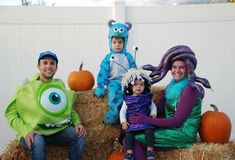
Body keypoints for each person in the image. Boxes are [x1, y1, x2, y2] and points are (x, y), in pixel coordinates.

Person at [126, 45, 212, 160]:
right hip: (169, 128)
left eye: (182, 67)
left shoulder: (190, 89)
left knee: (135, 139)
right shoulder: (171, 87)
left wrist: (146, 120)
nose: (177, 71)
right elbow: (158, 108)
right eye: (174, 67)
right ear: (170, 69)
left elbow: (177, 121)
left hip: (182, 133)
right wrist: (135, 107)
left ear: (188, 69)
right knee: (127, 135)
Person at [5, 51, 86, 160]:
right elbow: (11, 114)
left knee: (79, 135)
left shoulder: (59, 86)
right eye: (45, 63)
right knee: (37, 141)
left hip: (56, 131)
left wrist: (77, 123)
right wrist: (26, 131)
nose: (48, 66)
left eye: (52, 63)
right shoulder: (26, 87)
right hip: (33, 132)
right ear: (38, 66)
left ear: (56, 67)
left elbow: (68, 108)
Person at [95, 19, 137, 124]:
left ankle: (129, 115)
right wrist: (100, 87)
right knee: (113, 94)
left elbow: (134, 70)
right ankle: (113, 114)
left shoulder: (129, 57)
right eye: (114, 42)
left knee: (131, 96)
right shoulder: (109, 58)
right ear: (110, 42)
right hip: (113, 82)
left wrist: (135, 81)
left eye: (120, 42)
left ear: (125, 42)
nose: (117, 45)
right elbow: (103, 72)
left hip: (127, 82)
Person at [120, 69, 157, 160]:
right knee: (128, 134)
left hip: (145, 122)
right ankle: (129, 153)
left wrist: (153, 114)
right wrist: (123, 122)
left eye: (141, 84)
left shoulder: (147, 98)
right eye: (135, 84)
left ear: (145, 85)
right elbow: (122, 112)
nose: (138, 87)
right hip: (132, 123)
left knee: (149, 131)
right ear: (130, 86)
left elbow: (153, 107)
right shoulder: (127, 100)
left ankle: (150, 151)